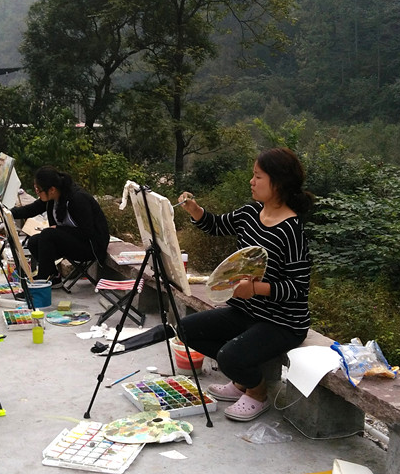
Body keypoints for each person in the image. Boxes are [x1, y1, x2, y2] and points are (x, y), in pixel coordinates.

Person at [94, 147, 313, 423]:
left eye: (258, 176)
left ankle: (257, 392)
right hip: (246, 311)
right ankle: (241, 381)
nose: (251, 181)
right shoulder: (251, 213)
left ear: (278, 183)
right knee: (185, 329)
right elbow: (217, 225)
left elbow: (298, 287)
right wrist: (195, 210)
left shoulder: (291, 230)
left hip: (282, 322)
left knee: (228, 356)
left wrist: (257, 289)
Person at [9, 166, 110, 288]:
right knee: (33, 242)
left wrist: (59, 229)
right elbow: (32, 209)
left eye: (38, 190)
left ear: (52, 189)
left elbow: (88, 232)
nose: (37, 193)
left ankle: (42, 281)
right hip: (73, 241)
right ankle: (53, 277)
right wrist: (9, 213)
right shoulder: (53, 197)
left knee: (47, 234)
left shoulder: (78, 199)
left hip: (91, 246)